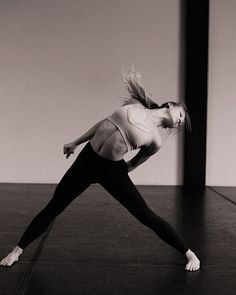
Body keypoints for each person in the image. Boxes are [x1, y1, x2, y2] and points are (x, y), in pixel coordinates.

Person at [0, 69, 200, 271]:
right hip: (87, 160)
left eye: (181, 122)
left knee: (145, 214)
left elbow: (135, 163)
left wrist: (116, 175)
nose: (180, 121)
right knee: (55, 205)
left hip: (111, 169)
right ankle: (17, 250)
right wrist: (76, 142)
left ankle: (190, 254)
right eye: (182, 115)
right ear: (171, 105)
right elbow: (103, 125)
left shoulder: (155, 140)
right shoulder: (135, 105)